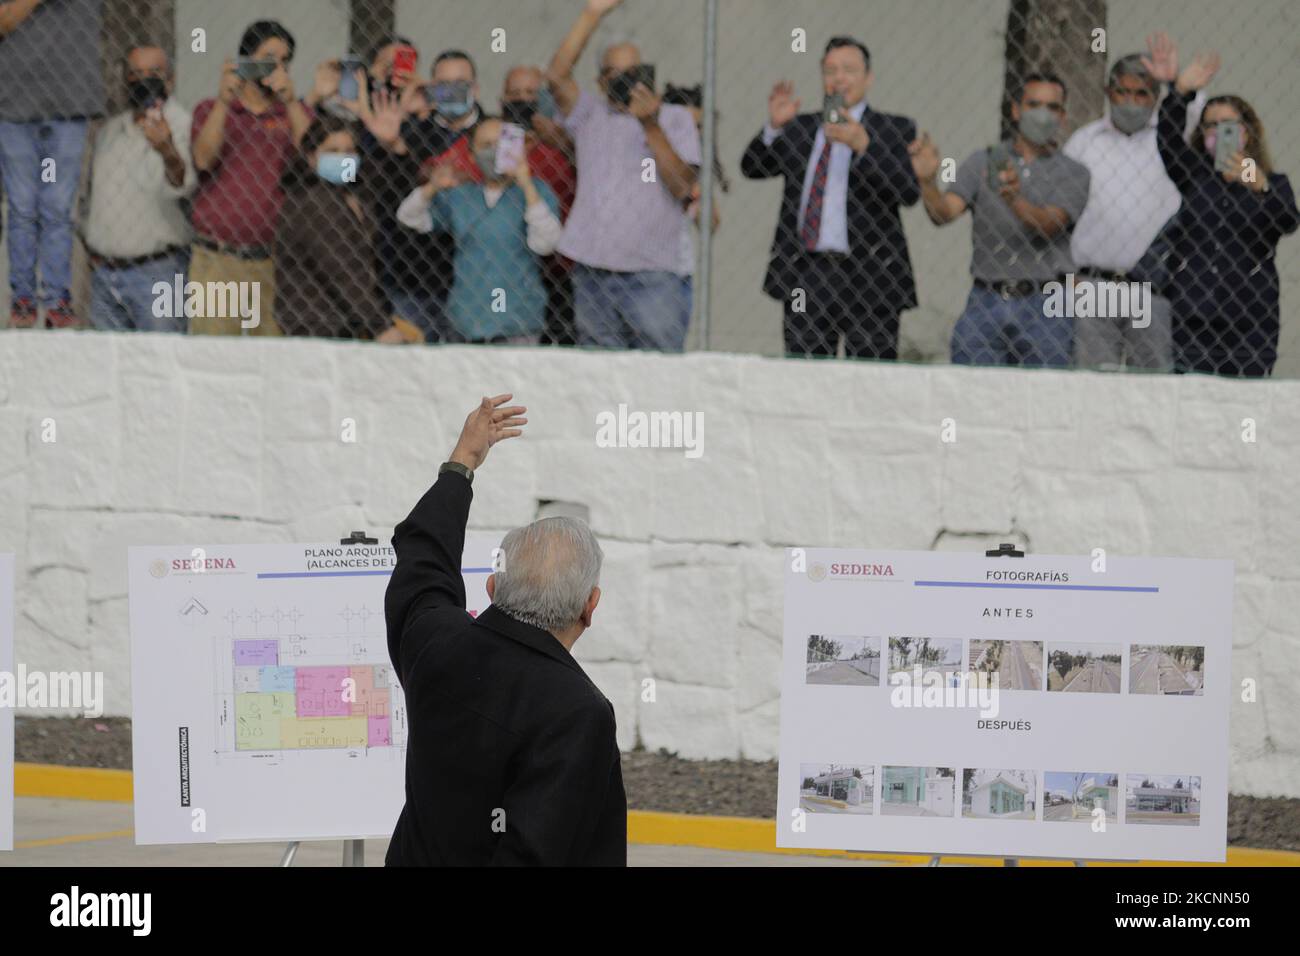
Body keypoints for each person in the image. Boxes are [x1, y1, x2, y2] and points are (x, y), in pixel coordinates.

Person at [385, 394, 626, 866]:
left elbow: (422, 561)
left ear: (493, 587)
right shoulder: (580, 713)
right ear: (590, 606)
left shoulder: (437, 644)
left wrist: (463, 463)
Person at [741, 37, 917, 359]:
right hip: (807, 272)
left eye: (849, 70)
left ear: (868, 77)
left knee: (870, 377)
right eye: (830, 70)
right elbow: (752, 167)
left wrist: (865, 147)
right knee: (804, 374)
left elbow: (907, 192)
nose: (839, 79)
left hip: (870, 275)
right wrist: (773, 128)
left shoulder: (892, 128)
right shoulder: (802, 128)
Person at [547, 0, 702, 351]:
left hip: (654, 276)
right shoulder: (590, 114)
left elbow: (681, 186)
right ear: (601, 82)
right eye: (616, 74)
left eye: (636, 71)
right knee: (598, 377)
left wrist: (649, 123)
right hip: (593, 273)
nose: (628, 80)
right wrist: (592, 14)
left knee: (657, 378)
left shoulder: (675, 118)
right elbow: (556, 76)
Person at [1142, 33, 1298, 378]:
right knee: (1192, 401)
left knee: (1244, 403)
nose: (1218, 132)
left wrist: (1261, 186)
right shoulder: (1194, 174)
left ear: (1247, 131)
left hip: (1250, 319)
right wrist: (1179, 92)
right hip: (1194, 313)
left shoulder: (1271, 181)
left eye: (1228, 124)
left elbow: (1287, 221)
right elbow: (1167, 139)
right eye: (1210, 125)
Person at [911, 73, 1091, 367]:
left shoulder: (1074, 172)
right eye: (1033, 104)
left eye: (1052, 107)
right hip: (985, 298)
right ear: (1016, 109)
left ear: (1063, 116)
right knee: (973, 395)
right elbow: (944, 214)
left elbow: (1050, 225)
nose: (1042, 115)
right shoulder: (984, 161)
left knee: (1041, 400)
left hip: (1046, 303)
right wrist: (928, 182)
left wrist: (1014, 199)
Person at [1064, 53, 1206, 371]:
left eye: (1141, 93)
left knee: (1153, 384)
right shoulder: (1084, 142)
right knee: (1092, 384)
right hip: (1092, 284)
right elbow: (1063, 211)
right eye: (1122, 92)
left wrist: (1175, 83)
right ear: (1108, 92)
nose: (1130, 101)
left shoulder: (1173, 136)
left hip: (1153, 288)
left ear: (1155, 97)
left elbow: (1200, 110)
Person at [189, 19, 322, 335]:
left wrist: (291, 102)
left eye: (284, 61)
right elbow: (202, 159)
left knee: (273, 360)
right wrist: (224, 101)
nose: (277, 67)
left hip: (274, 261)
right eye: (268, 59)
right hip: (216, 260)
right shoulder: (211, 108)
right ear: (246, 59)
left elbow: (317, 162)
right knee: (213, 360)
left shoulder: (293, 114)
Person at [397, 118, 563, 344]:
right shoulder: (462, 195)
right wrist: (432, 186)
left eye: (500, 143)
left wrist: (526, 184)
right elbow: (408, 217)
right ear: (472, 156)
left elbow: (546, 244)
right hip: (466, 316)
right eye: (486, 146)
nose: (493, 151)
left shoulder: (536, 191)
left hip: (517, 320)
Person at [359, 49, 484, 343]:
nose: (452, 92)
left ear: (476, 89)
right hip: (411, 275)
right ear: (431, 88)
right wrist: (394, 147)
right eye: (443, 84)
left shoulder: (492, 134)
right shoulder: (408, 131)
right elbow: (386, 196)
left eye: (461, 84)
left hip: (473, 283)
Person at [0, 0, 105, 329]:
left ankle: (57, 298)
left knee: (58, 207)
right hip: (13, 103)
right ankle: (24, 299)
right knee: (21, 207)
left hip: (69, 102)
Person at [82, 46, 195, 332]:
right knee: (110, 369)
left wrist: (166, 149)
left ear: (170, 79)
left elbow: (181, 183)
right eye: (135, 74)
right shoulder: (111, 131)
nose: (143, 80)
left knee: (161, 363)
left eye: (153, 73)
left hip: (158, 272)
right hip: (104, 275)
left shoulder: (183, 124)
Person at [274, 116, 412, 342]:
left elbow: (394, 185)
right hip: (315, 325)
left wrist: (395, 147)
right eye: (332, 150)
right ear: (311, 157)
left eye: (349, 151)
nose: (343, 158)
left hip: (343, 323)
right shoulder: (313, 201)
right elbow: (340, 268)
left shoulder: (352, 195)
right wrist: (380, 326)